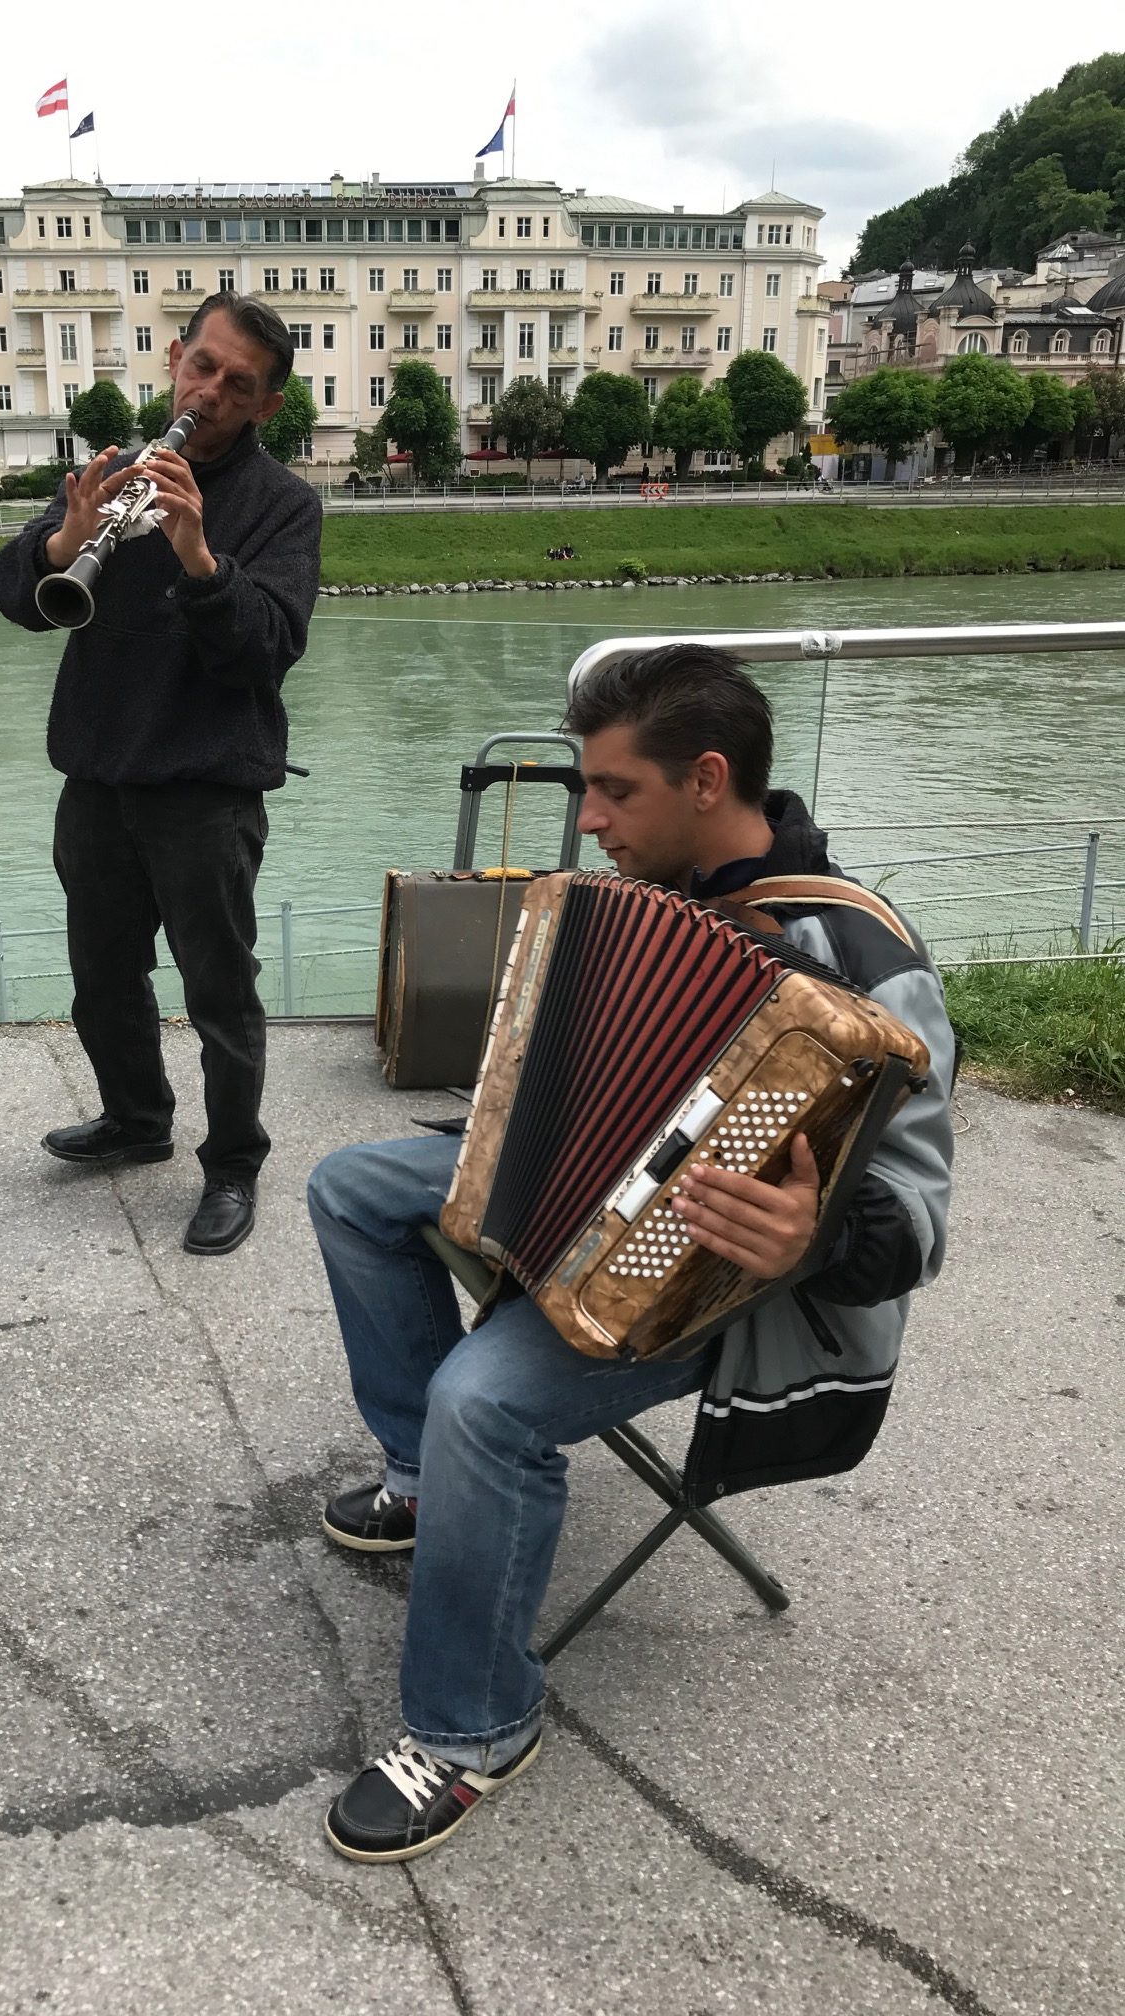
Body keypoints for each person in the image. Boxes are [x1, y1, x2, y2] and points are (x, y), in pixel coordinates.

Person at [307, 643, 956, 1863]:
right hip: (580, 1202)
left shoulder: (863, 961)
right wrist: (511, 1123)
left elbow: (919, 1224)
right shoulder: (644, 899)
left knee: (485, 1399)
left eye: (614, 792)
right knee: (352, 1187)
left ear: (707, 780)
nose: (589, 819)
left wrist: (813, 1237)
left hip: (743, 1297)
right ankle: (419, 1477)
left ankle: (474, 1729)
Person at [0, 292, 323, 1256]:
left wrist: (197, 555)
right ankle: (137, 1122)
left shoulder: (283, 506)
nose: (210, 391)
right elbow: (22, 594)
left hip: (208, 791)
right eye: (203, 366)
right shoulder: (116, 471)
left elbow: (268, 650)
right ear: (175, 356)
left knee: (220, 990)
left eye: (239, 385)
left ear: (266, 407)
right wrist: (65, 539)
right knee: (103, 978)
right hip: (98, 778)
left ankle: (232, 1165)